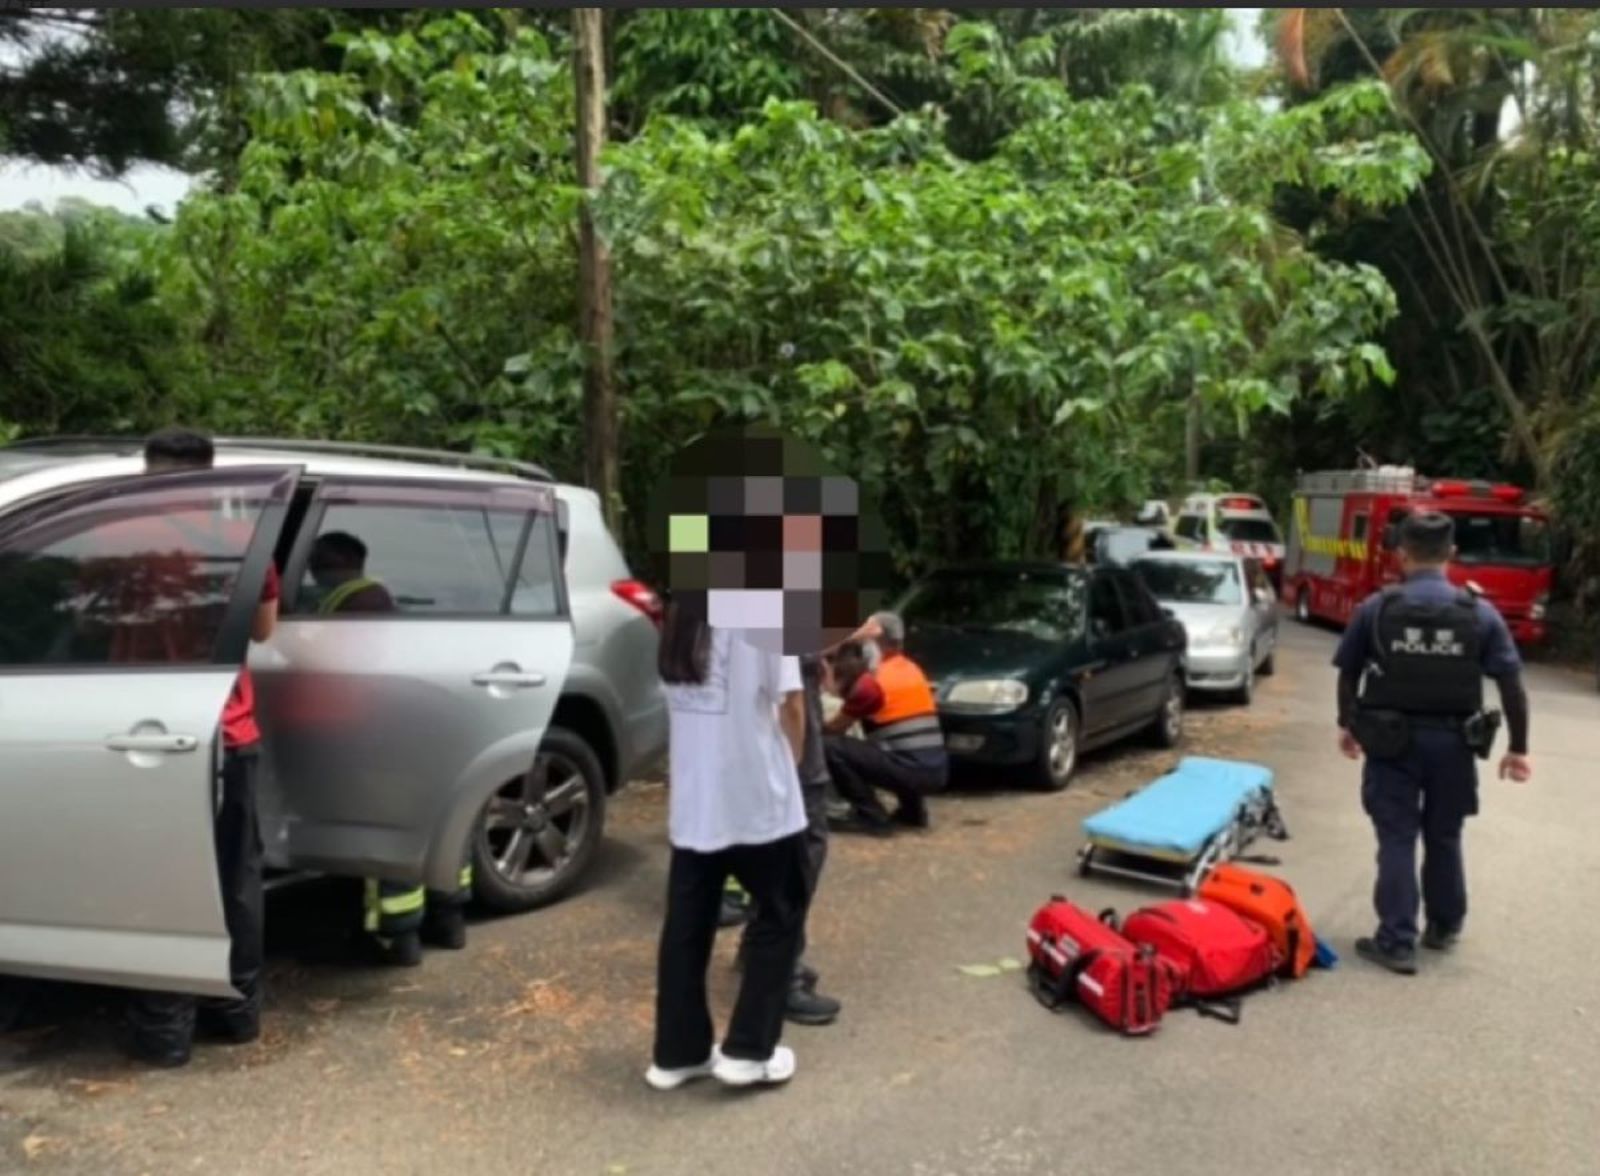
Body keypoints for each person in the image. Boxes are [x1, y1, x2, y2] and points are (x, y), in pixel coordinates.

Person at [123, 428, 279, 1067]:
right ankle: (235, 1016)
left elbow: (77, 621)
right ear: (209, 476)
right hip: (226, 729)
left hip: (140, 731)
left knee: (156, 880)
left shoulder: (111, 537)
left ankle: (165, 1035)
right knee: (234, 880)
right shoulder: (240, 538)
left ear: (146, 473)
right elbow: (264, 630)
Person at [1334, 511, 1533, 976]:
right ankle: (1443, 926)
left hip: (1390, 743)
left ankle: (1396, 941)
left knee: (1397, 836)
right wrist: (1518, 748)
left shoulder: (1376, 608)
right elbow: (1511, 684)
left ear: (1401, 555)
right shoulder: (1479, 613)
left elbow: (1349, 673)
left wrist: (1348, 725)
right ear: (1452, 555)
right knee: (1444, 834)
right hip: (1454, 744)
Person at [648, 601, 812, 1091]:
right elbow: (792, 704)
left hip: (695, 800)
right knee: (782, 913)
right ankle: (748, 1050)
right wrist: (793, 766)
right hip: (756, 798)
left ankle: (677, 1053)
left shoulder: (680, 614)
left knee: (687, 926)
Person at [306, 530, 472, 965]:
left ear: (322, 567)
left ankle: (400, 939)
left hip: (374, 733)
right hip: (422, 723)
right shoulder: (385, 600)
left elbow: (323, 666)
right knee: (439, 826)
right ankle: (450, 921)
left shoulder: (347, 607)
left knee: (387, 837)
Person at [734, 651, 842, 1026]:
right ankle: (780, 974)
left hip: (769, 730)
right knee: (800, 857)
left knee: (786, 853)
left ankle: (760, 950)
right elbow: (789, 691)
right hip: (790, 740)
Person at [823, 613, 948, 837]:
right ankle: (913, 812)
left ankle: (871, 816)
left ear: (872, 643)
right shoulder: (911, 669)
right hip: (936, 770)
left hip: (909, 769)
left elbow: (835, 728)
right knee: (897, 747)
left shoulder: (874, 682)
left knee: (829, 746)